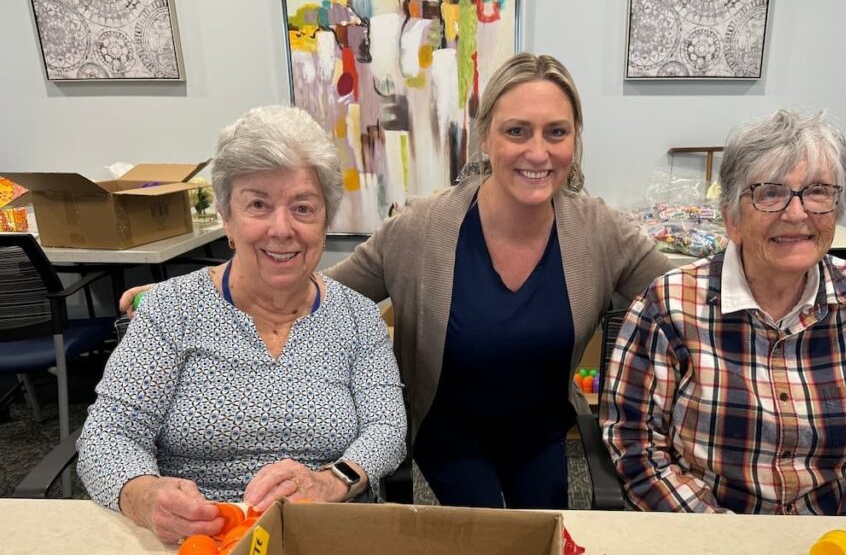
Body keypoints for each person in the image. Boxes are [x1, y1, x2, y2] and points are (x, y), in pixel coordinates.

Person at [121, 53, 673, 509]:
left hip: (542, 433)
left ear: (575, 139)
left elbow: (690, 294)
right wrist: (181, 295)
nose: (537, 151)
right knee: (483, 550)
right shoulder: (421, 228)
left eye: (557, 132)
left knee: (545, 547)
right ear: (485, 137)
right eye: (516, 131)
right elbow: (310, 281)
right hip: (448, 430)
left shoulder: (600, 231)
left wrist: (758, 256)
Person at [80, 106, 407, 543]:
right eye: (258, 204)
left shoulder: (358, 317)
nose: (281, 228)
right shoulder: (171, 310)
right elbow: (107, 435)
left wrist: (334, 479)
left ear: (326, 220)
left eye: (303, 208)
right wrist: (144, 494)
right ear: (226, 218)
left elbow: (387, 427)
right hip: (198, 542)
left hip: (329, 534)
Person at [602, 109, 846, 516]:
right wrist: (722, 538)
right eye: (769, 193)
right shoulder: (669, 306)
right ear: (732, 218)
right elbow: (634, 441)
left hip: (838, 545)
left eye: (818, 191)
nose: (796, 214)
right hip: (710, 541)